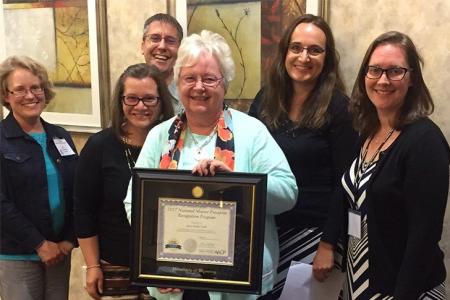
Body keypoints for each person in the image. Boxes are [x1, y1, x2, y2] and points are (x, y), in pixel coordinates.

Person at [124, 30, 298, 300]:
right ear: (178, 83)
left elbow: (287, 193)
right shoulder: (160, 135)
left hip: (236, 285)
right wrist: (156, 264)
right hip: (175, 281)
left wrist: (239, 182)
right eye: (190, 78)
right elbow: (134, 202)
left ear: (224, 83)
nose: (199, 87)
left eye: (209, 79)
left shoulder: (252, 132)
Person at [313, 31, 449, 300]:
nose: (383, 80)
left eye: (395, 71)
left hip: (406, 290)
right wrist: (328, 242)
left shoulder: (425, 143)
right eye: (374, 70)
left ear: (412, 79)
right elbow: (348, 191)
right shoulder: (368, 129)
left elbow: (423, 239)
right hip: (362, 280)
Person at [248, 14, 357, 298]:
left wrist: (328, 244)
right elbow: (247, 160)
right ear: (284, 52)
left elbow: (344, 186)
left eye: (314, 50)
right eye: (296, 47)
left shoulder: (340, 109)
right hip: (268, 233)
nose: (303, 57)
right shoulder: (264, 100)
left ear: (327, 58)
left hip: (314, 238)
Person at [74, 63, 174, 299]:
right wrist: (93, 266)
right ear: (121, 101)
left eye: (149, 98)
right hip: (115, 265)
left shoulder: (175, 145)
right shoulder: (99, 146)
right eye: (132, 98)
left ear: (161, 101)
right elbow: (83, 210)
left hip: (166, 266)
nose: (140, 106)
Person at [0, 55, 78, 299]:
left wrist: (68, 239)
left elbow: (78, 191)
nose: (31, 95)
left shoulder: (61, 136)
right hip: (18, 254)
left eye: (36, 87)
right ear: (6, 96)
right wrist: (39, 244)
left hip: (59, 252)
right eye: (20, 90)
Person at [141, 13, 184, 114]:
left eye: (170, 41)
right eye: (155, 38)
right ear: (142, 46)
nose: (162, 46)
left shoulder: (191, 97)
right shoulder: (128, 92)